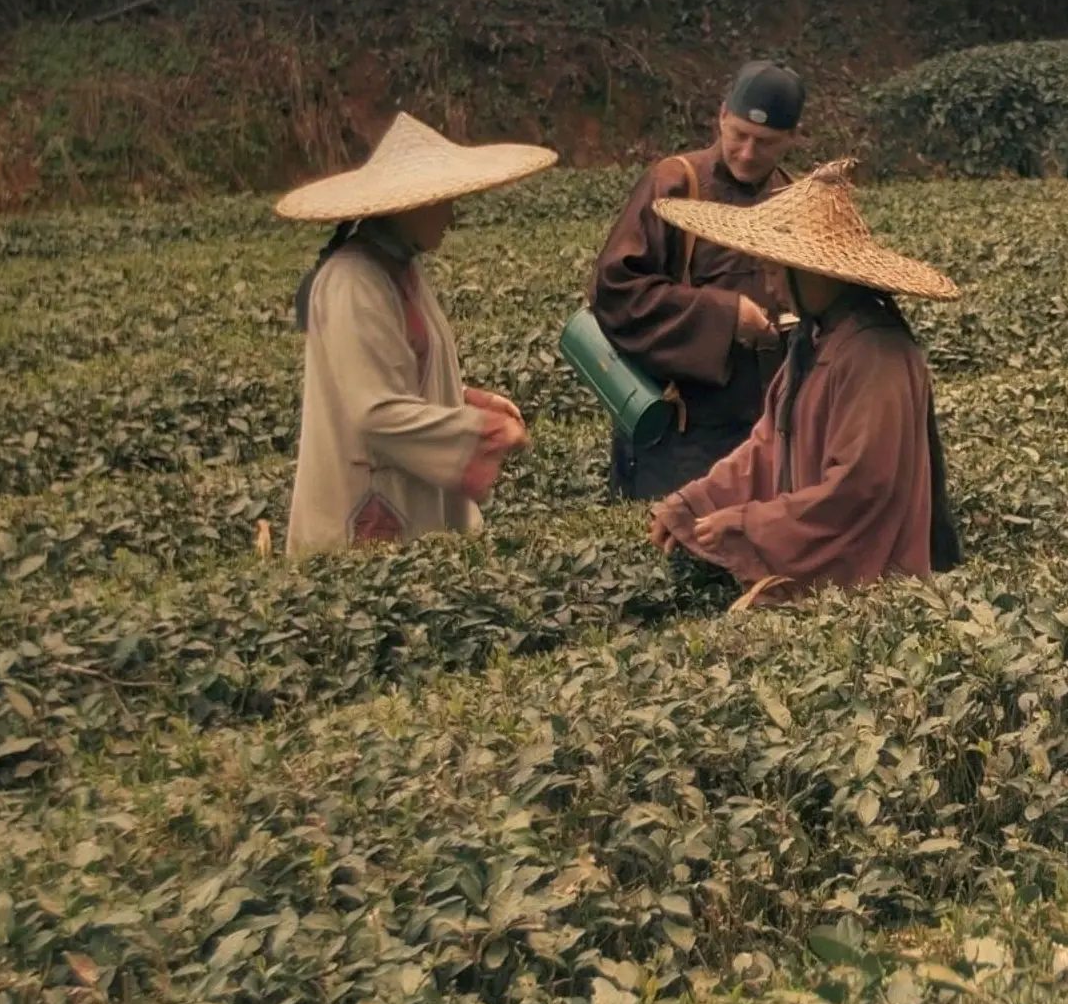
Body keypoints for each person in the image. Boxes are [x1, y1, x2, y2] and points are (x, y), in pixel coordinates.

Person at [646, 158, 963, 608]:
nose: (769, 286)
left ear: (814, 271)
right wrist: (692, 503)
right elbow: (766, 447)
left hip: (870, 597)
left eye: (775, 271)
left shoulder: (874, 354)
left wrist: (748, 524)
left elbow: (858, 490)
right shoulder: (815, 339)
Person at [279, 112, 548, 554]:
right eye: (443, 202)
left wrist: (466, 400)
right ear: (409, 206)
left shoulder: (400, 268)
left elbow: (396, 371)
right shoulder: (354, 281)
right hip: (369, 512)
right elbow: (375, 409)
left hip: (403, 498)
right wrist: (485, 433)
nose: (451, 214)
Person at [590, 60, 808, 501]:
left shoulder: (796, 198)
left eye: (764, 143)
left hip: (766, 429)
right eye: (739, 135)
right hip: (679, 436)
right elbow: (615, 293)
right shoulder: (674, 183)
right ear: (722, 116)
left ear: (791, 138)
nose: (747, 153)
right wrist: (727, 317)